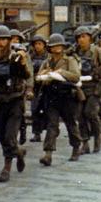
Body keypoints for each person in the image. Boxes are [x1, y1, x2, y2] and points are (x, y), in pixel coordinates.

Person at [0, 25, 33, 184]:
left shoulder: (16, 56)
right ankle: (18, 152)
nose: (1, 42)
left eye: (4, 39)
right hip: (0, 102)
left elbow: (26, 75)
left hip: (15, 101)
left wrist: (22, 61)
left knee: (10, 136)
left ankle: (6, 168)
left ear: (10, 41)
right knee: (1, 137)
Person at [36, 34, 83, 165]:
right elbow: (38, 77)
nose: (56, 48)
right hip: (52, 97)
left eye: (59, 45)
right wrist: (44, 74)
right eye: (53, 46)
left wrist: (61, 73)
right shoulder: (47, 62)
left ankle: (75, 147)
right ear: (49, 48)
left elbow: (76, 77)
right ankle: (48, 154)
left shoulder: (69, 61)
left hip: (68, 96)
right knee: (52, 125)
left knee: (71, 123)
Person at [72, 27, 101, 153]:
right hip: (80, 87)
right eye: (79, 37)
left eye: (84, 36)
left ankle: (97, 137)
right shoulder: (75, 53)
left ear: (90, 38)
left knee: (90, 113)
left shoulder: (98, 51)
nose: (81, 39)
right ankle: (85, 142)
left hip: (95, 87)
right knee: (80, 115)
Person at [27, 34, 48, 142]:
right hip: (35, 86)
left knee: (47, 110)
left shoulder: (48, 56)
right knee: (34, 110)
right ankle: (36, 133)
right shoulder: (30, 56)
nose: (37, 46)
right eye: (35, 44)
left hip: (46, 86)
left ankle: (51, 131)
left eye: (40, 44)